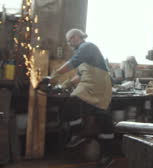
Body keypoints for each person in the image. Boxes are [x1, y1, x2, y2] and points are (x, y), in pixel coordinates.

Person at [38, 28, 114, 167]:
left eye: (69, 41)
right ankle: (105, 155)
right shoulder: (85, 51)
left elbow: (73, 62)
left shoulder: (87, 46)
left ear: (76, 37)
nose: (69, 44)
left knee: (74, 103)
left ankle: (79, 136)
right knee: (102, 119)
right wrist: (65, 85)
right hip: (94, 84)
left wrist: (55, 75)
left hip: (99, 84)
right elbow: (80, 75)